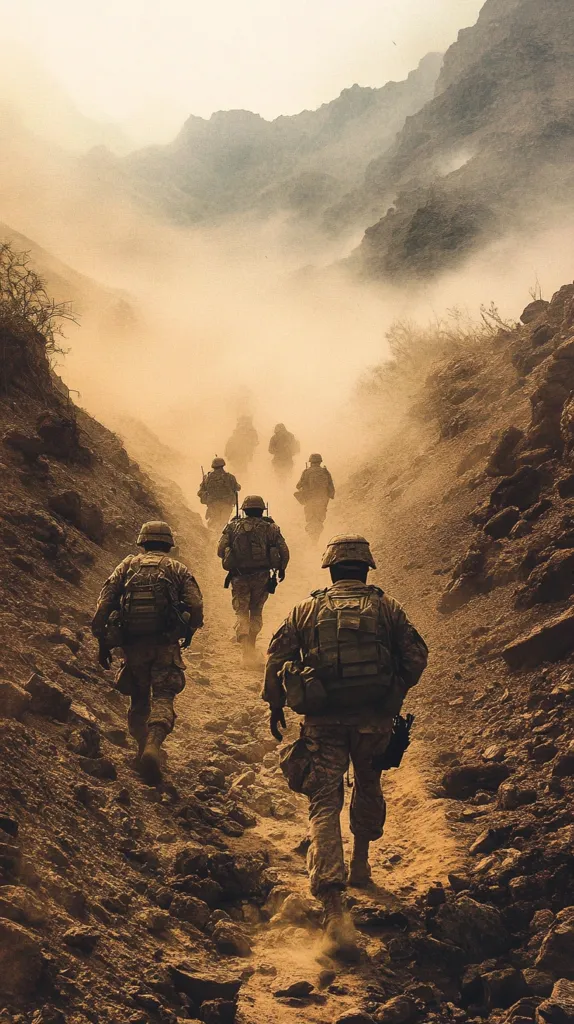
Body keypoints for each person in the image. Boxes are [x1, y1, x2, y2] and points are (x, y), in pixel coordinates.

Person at [263, 534, 427, 955]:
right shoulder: (388, 608)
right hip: (373, 721)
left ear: (331, 569)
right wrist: (391, 693)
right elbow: (415, 659)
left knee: (324, 803)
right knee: (369, 785)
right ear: (366, 568)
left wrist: (275, 704)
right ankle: (361, 864)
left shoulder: (307, 609)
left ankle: (334, 906)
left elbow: (277, 657)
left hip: (323, 723)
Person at [91, 521, 203, 783]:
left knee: (139, 698)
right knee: (163, 696)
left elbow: (104, 603)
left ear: (142, 541)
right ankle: (154, 744)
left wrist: (103, 642)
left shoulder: (127, 565)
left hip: (133, 644)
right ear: (168, 544)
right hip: (165, 644)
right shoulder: (177, 568)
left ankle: (141, 748)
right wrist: (188, 630)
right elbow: (196, 604)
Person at [217, 495, 289, 665]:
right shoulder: (271, 528)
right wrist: (282, 569)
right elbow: (284, 551)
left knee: (241, 611)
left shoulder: (232, 526)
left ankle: (245, 649)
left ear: (244, 510)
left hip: (239, 576)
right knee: (256, 610)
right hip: (262, 576)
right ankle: (251, 644)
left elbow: (220, 550)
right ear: (262, 510)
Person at [295, 454, 335, 542]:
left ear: (311, 462)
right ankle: (316, 538)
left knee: (311, 520)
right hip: (322, 500)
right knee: (319, 520)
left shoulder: (307, 472)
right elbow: (331, 488)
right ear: (320, 461)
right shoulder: (325, 472)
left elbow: (298, 486)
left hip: (310, 501)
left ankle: (313, 540)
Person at [198, 457, 241, 532]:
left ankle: (212, 539)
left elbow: (200, 492)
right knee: (224, 524)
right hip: (226, 504)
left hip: (213, 504)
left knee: (213, 524)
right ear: (223, 465)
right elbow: (238, 488)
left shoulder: (207, 477)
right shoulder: (230, 477)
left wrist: (207, 496)